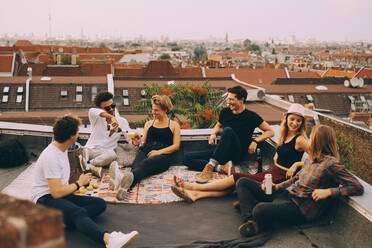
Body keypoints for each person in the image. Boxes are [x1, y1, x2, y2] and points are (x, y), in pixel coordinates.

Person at [235, 125, 363, 237]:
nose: (308, 140)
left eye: (311, 137)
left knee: (259, 209)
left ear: (319, 141)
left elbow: (356, 186)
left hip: (300, 208)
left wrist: (329, 192)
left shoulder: (331, 164)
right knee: (243, 182)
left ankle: (252, 212)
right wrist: (276, 187)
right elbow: (296, 179)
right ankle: (250, 220)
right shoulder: (311, 158)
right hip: (287, 195)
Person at [31, 115, 139, 248]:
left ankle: (61, 222)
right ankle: (108, 240)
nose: (78, 134)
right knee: (78, 212)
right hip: (44, 200)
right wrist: (78, 183)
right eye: (77, 132)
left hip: (57, 195)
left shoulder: (62, 149)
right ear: (71, 136)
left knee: (99, 204)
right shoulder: (51, 156)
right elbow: (56, 193)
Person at [171, 103, 309, 203]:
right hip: (272, 173)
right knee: (235, 185)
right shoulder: (285, 136)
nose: (294, 123)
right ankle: (196, 195)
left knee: (236, 177)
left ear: (302, 123)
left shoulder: (301, 140)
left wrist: (297, 164)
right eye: (292, 119)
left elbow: (319, 158)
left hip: (280, 179)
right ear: (286, 120)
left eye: (298, 120)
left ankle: (192, 186)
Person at [183, 85, 274, 183]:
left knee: (227, 131)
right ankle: (221, 168)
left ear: (241, 100)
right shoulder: (225, 112)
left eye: (231, 99)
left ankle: (210, 166)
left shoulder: (251, 116)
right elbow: (218, 125)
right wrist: (213, 134)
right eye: (228, 99)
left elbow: (270, 131)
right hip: (220, 152)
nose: (228, 102)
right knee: (186, 158)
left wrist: (255, 141)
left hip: (236, 154)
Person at [110, 95, 181, 201]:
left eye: (156, 110)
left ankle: (120, 180)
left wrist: (158, 152)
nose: (153, 112)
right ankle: (124, 188)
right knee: (136, 166)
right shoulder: (148, 124)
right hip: (146, 150)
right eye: (152, 109)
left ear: (165, 110)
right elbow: (143, 143)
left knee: (145, 164)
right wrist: (137, 142)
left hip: (164, 155)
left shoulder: (174, 125)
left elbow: (176, 146)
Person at [81, 90, 134, 171]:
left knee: (112, 155)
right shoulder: (96, 117)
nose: (111, 109)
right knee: (83, 152)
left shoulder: (122, 121)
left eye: (113, 105)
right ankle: (85, 161)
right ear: (101, 109)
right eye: (107, 108)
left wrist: (135, 141)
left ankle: (89, 165)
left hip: (106, 153)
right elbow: (93, 111)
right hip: (91, 150)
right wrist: (111, 117)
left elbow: (129, 137)